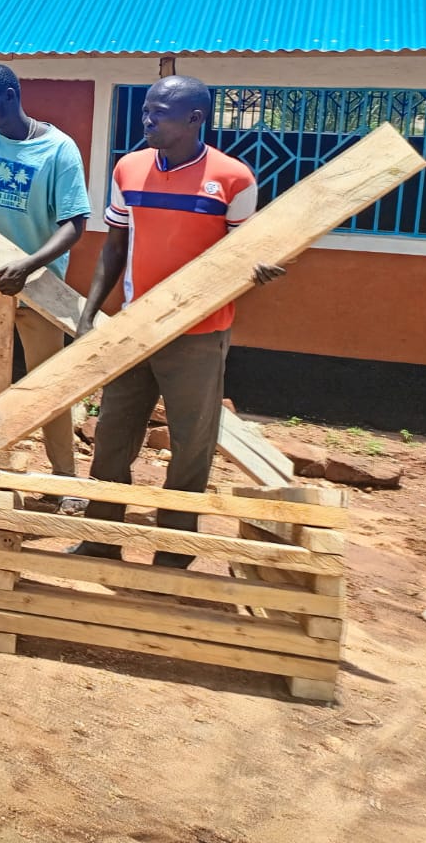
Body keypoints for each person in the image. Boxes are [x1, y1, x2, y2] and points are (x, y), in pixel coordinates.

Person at [71, 75, 284, 567]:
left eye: (159, 113)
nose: (147, 120)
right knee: (112, 436)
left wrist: (258, 271)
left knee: (191, 444)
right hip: (135, 327)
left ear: (194, 118)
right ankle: (101, 537)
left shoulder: (233, 179)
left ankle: (174, 550)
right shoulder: (129, 169)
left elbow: (246, 252)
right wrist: (89, 313)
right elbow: (115, 246)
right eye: (145, 110)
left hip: (198, 335)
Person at [0, 64, 91, 505]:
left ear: (10, 96)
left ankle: (63, 481)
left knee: (47, 384)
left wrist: (28, 266)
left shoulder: (58, 150)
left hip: (40, 288)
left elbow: (74, 224)